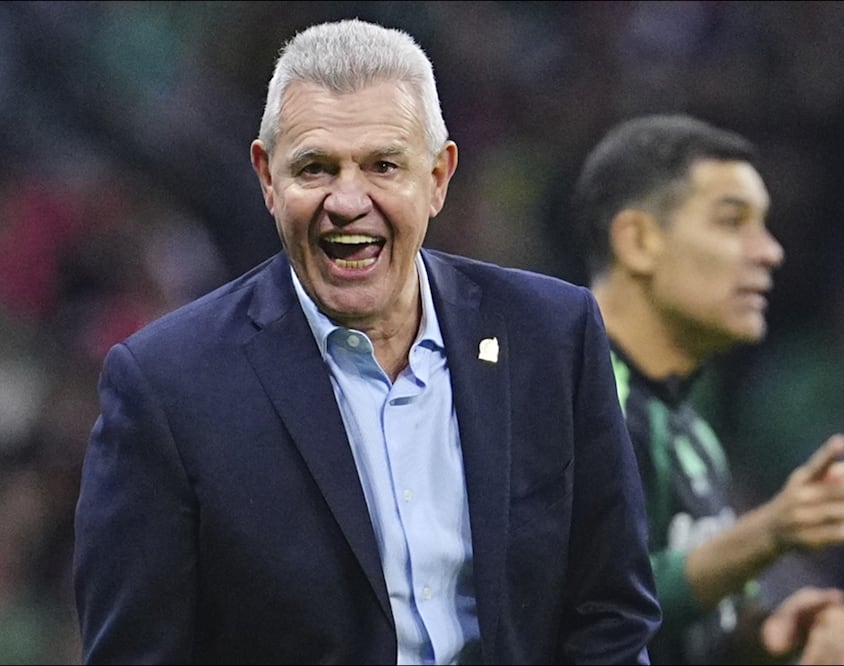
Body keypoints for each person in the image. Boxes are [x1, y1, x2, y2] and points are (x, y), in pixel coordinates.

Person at [73, 19, 661, 665]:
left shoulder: (552, 335)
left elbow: (609, 613)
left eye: (383, 165)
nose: (347, 201)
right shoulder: (168, 387)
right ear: (267, 179)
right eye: (314, 168)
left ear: (437, 177)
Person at [573, 113, 844, 665]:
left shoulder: (692, 430)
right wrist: (769, 531)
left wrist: (770, 638)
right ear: (639, 241)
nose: (769, 251)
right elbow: (572, 605)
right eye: (733, 222)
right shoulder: (569, 400)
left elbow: (689, 629)